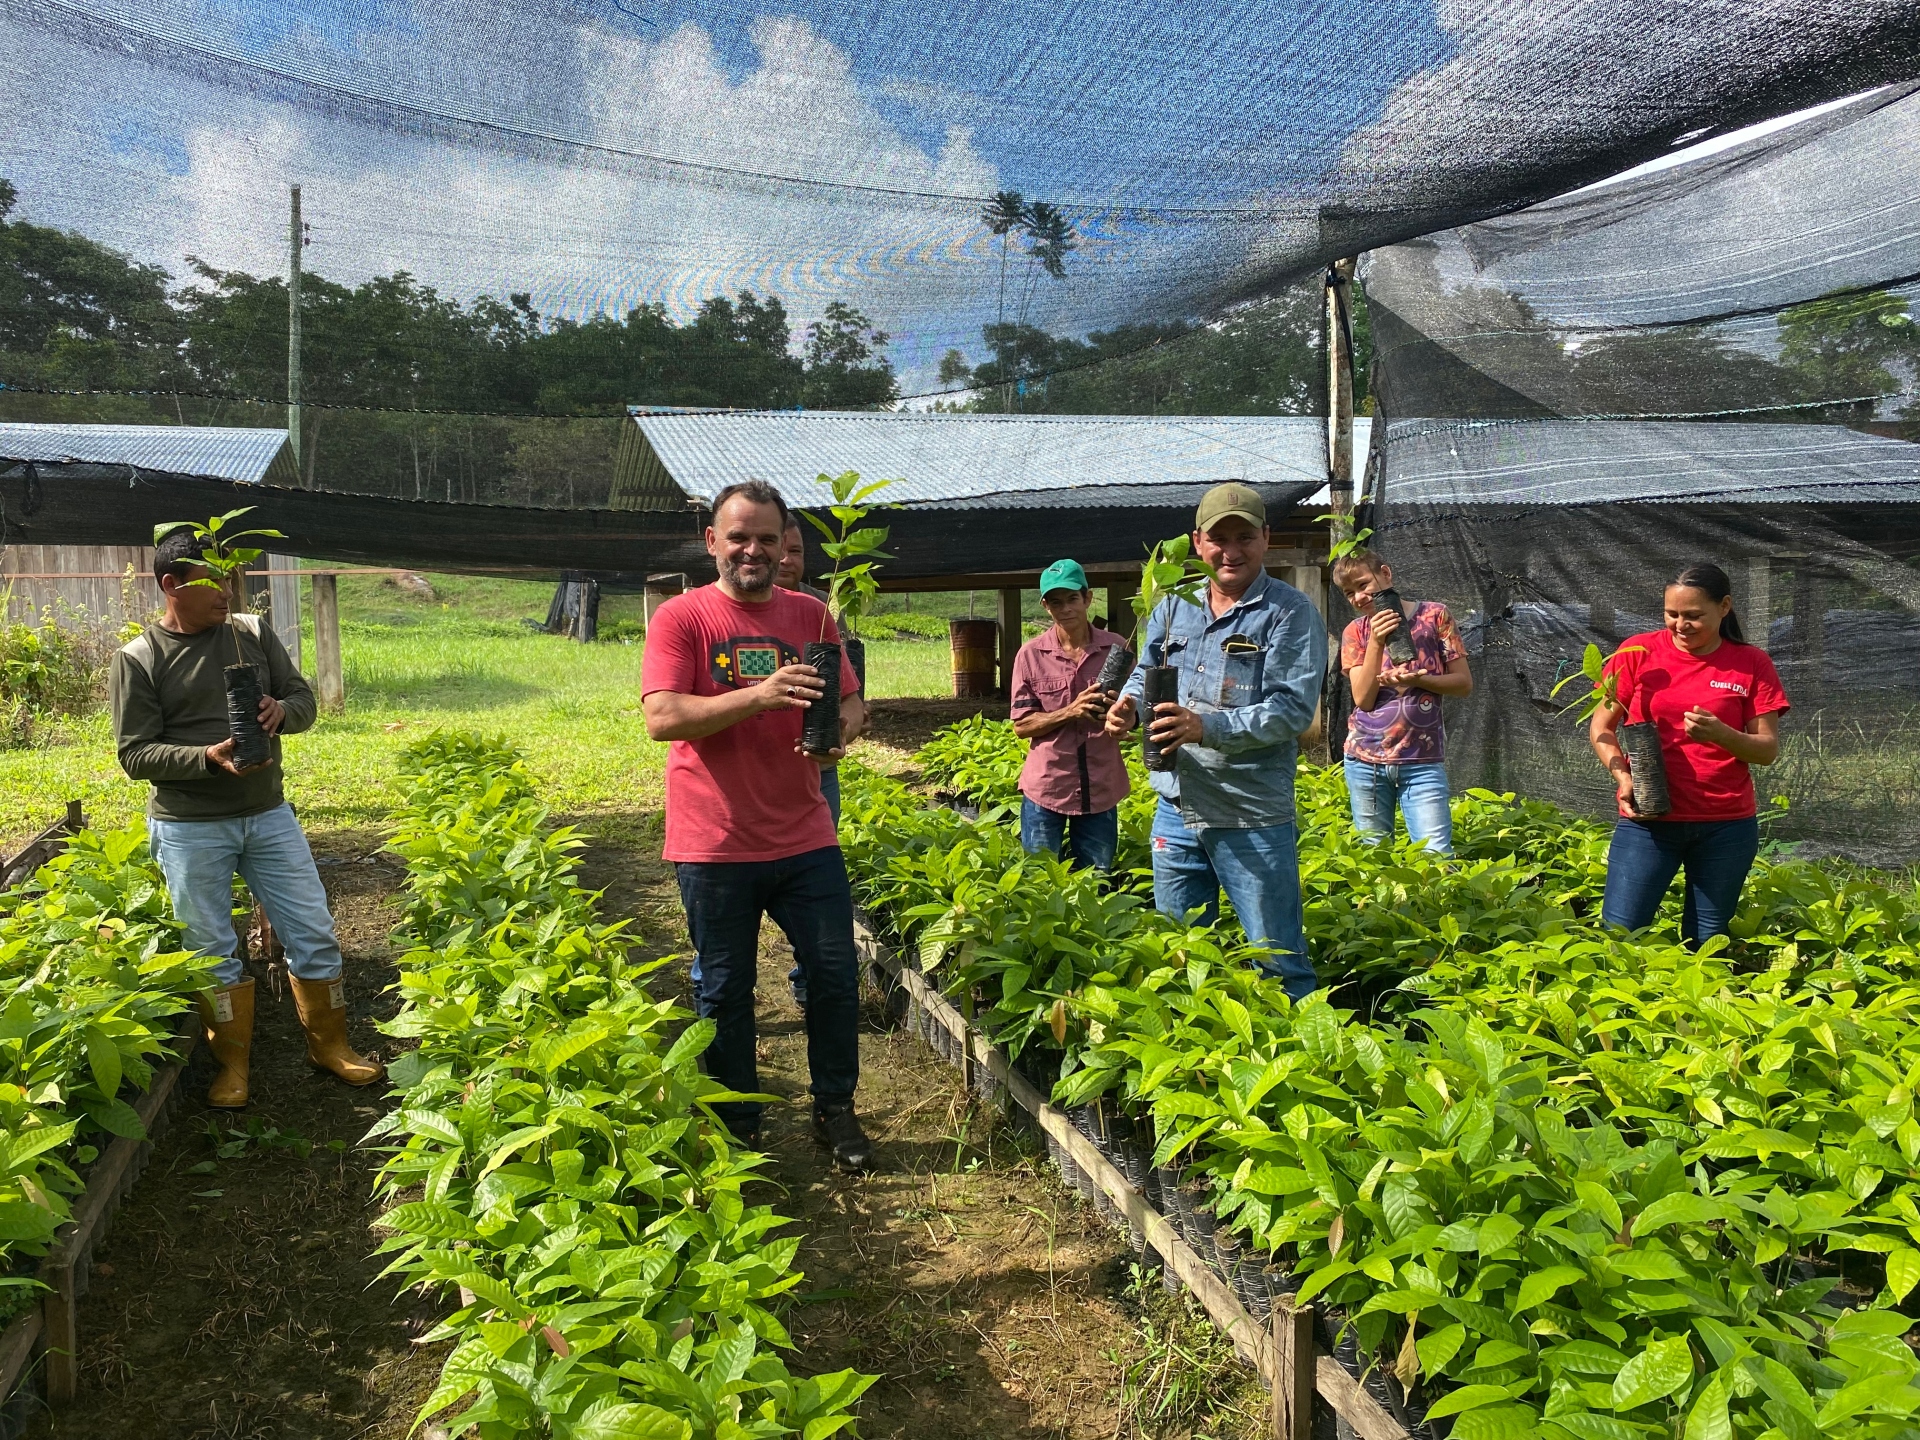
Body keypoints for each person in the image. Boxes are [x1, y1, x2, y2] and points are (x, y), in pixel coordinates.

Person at [110, 527, 385, 1109]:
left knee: (312, 929)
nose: (227, 591)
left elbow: (303, 699)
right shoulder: (140, 659)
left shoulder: (252, 634)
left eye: (231, 577)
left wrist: (281, 711)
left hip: (267, 815)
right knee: (211, 948)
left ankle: (330, 1047)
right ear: (171, 586)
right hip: (189, 828)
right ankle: (232, 1066)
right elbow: (135, 754)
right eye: (212, 581)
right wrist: (204, 760)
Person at [641, 479, 872, 1170]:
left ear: (782, 547)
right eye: (738, 536)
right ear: (712, 542)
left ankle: (835, 1110)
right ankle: (739, 1127)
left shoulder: (812, 615)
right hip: (714, 843)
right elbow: (663, 717)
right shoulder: (682, 619)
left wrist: (843, 735)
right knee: (724, 988)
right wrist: (761, 695)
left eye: (767, 539)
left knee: (834, 975)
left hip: (806, 834)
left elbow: (853, 707)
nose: (753, 549)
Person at [1104, 483, 1327, 998]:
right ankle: (1197, 1058)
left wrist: (1208, 727)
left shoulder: (1289, 613)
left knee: (1277, 959)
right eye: (1218, 538)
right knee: (1183, 951)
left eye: (1244, 536)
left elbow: (1292, 709)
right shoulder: (1172, 606)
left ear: (1266, 539)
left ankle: (1300, 1059)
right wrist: (1129, 708)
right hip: (1176, 807)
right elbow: (1144, 674)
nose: (1231, 551)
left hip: (1251, 812)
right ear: (1197, 542)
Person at [1589, 562, 1788, 944]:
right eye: (1672, 614)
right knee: (1621, 933)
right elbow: (1601, 727)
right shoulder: (1637, 652)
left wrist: (1721, 734)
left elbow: (1766, 750)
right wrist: (1623, 778)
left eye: (1694, 616)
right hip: (1648, 818)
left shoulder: (1751, 664)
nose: (1681, 625)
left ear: (1724, 606)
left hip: (1725, 823)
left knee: (1707, 940)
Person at [1334, 549, 1472, 854]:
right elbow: (1363, 699)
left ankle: (1435, 903)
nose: (1358, 597)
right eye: (1348, 593)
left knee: (1435, 853)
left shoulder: (1434, 616)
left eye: (1362, 584)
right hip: (1365, 759)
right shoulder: (1356, 632)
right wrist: (1377, 641)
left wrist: (1417, 680)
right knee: (1374, 854)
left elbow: (1463, 684)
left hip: (1422, 759)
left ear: (1385, 573)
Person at [1010, 560, 1131, 871]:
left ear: (1087, 598)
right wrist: (1070, 711)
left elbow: (1137, 705)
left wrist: (1127, 718)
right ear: (1045, 606)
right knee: (1039, 883)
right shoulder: (1031, 655)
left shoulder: (1116, 649)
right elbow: (1022, 726)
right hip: (1048, 786)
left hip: (1101, 785)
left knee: (1096, 881)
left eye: (1072, 599)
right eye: (1056, 602)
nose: (1065, 609)